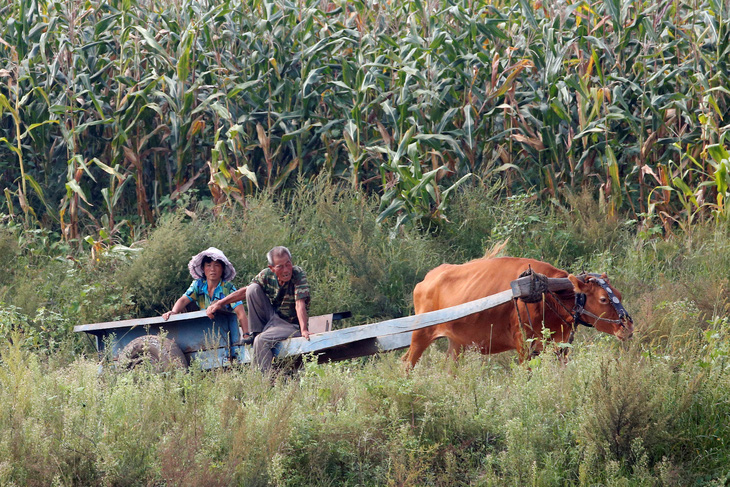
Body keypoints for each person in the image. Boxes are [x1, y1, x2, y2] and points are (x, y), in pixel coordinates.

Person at [206, 246, 310, 374]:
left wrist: (304, 329)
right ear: (271, 268)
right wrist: (220, 303)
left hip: (291, 325)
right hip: (273, 320)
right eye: (280, 267)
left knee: (261, 340)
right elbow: (244, 292)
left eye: (288, 264)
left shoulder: (297, 274)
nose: (286, 270)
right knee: (252, 288)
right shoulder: (266, 275)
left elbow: (300, 304)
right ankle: (255, 333)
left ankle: (263, 382)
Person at [163, 247, 249, 336]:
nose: (212, 269)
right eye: (208, 265)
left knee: (216, 304)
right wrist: (173, 312)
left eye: (217, 265)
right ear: (203, 268)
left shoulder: (228, 288)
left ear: (222, 269)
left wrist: (246, 334)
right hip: (200, 326)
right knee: (187, 303)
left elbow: (240, 313)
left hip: (221, 329)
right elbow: (184, 299)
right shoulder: (198, 284)